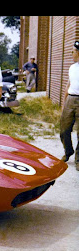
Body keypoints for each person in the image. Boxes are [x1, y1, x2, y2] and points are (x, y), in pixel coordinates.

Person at [60, 41, 79, 171]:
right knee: (64, 129)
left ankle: (78, 159)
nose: (71, 54)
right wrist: (63, 103)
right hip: (70, 100)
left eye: (73, 51)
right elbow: (68, 85)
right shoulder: (72, 67)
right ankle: (68, 151)